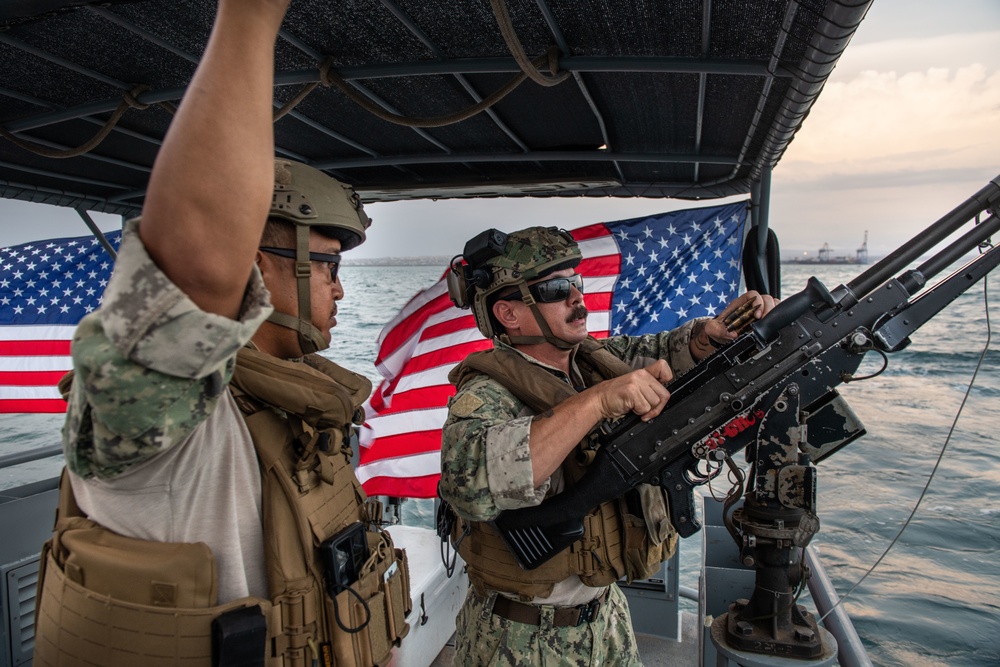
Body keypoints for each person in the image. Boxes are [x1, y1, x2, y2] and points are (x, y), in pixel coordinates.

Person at [32, 2, 409, 666]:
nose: (341, 290)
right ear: (258, 264)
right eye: (328, 265)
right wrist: (252, 17)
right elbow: (198, 268)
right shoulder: (175, 434)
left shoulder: (299, 403)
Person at [439, 226, 777, 666]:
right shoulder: (486, 395)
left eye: (576, 283)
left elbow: (660, 351)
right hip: (520, 638)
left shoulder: (590, 362)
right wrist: (596, 403)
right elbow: (471, 486)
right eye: (557, 289)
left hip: (606, 619)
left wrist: (709, 336)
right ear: (509, 313)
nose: (577, 298)